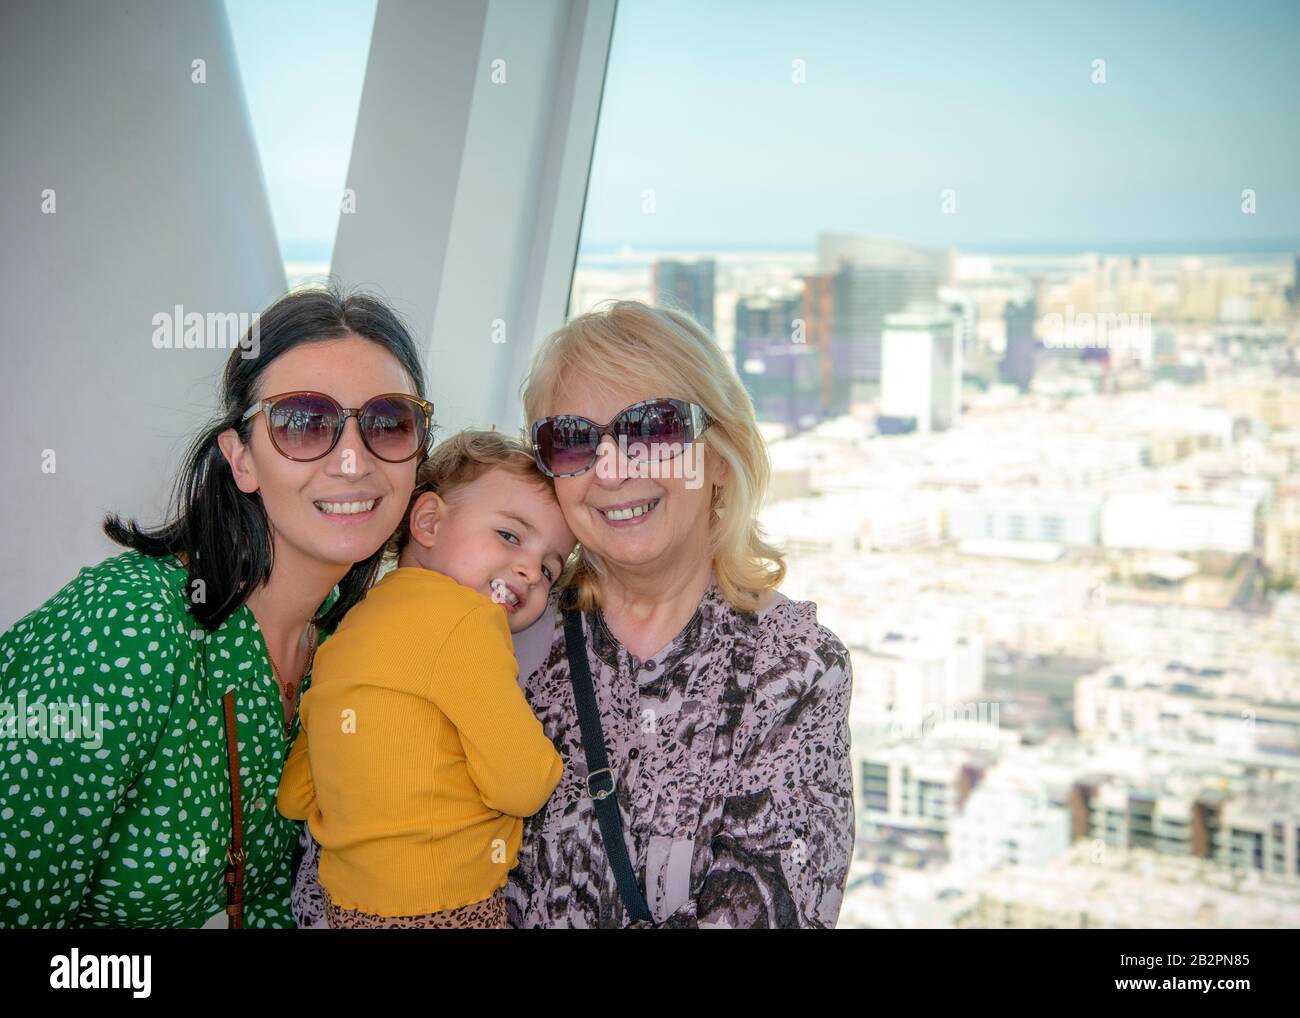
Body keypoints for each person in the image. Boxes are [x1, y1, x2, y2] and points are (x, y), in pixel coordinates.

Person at [289, 299, 856, 928]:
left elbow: (774, 910)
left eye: (652, 429)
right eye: (573, 440)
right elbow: (340, 857)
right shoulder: (489, 629)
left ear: (719, 455)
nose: (611, 470)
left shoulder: (792, 668)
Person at [0, 287, 431, 927]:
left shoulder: (354, 645)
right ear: (241, 460)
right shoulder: (127, 628)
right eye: (303, 421)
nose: (352, 460)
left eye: (387, 422)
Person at [277, 431, 574, 928]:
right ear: (430, 521)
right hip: (447, 903)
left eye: (549, 568)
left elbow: (296, 793)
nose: (528, 570)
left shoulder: (347, 628)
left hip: (344, 905)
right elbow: (523, 785)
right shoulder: (468, 622)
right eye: (509, 536)